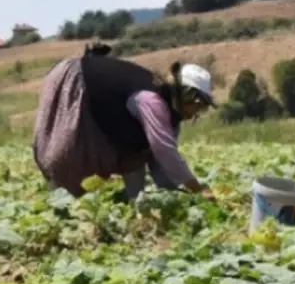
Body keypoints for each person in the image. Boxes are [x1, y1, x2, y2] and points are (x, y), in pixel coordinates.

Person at [33, 42, 215, 200]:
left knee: (134, 154)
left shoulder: (172, 115)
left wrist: (179, 195)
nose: (200, 112)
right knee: (67, 153)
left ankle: (136, 206)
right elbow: (164, 150)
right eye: (201, 106)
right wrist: (197, 189)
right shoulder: (152, 101)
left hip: (110, 114)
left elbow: (160, 164)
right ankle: (58, 206)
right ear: (190, 98)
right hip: (76, 82)